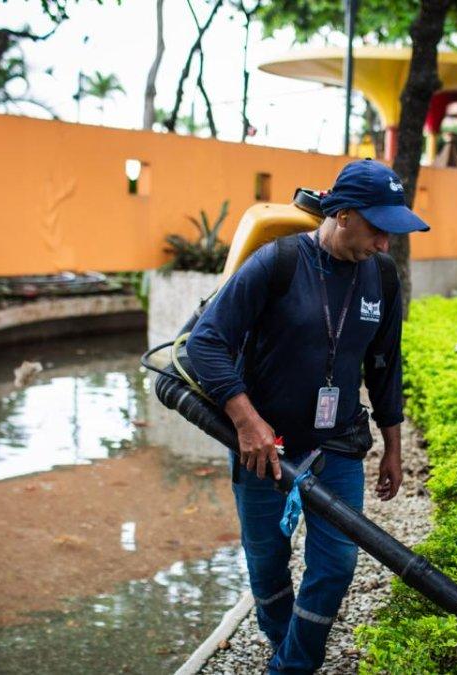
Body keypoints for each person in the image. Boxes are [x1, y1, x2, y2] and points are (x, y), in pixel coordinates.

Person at [187, 159, 429, 673]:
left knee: (337, 563)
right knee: (268, 565)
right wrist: (247, 421)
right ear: (342, 214)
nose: (385, 245)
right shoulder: (276, 263)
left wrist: (394, 447)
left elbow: (385, 364)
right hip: (262, 447)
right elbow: (205, 343)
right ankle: (285, 649)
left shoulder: (381, 276)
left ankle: (290, 668)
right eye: (378, 229)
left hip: (337, 445)